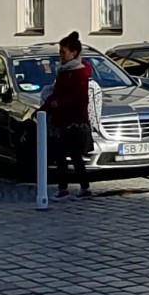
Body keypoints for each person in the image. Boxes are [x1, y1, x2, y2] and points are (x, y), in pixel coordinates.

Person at [41, 32, 97, 199]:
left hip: (74, 121)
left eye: (63, 52)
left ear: (73, 53)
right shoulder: (63, 72)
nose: (60, 55)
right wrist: (43, 109)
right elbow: (56, 94)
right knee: (61, 156)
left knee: (73, 155)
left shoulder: (79, 73)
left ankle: (81, 188)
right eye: (59, 51)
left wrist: (60, 104)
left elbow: (80, 98)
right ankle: (66, 188)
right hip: (61, 120)